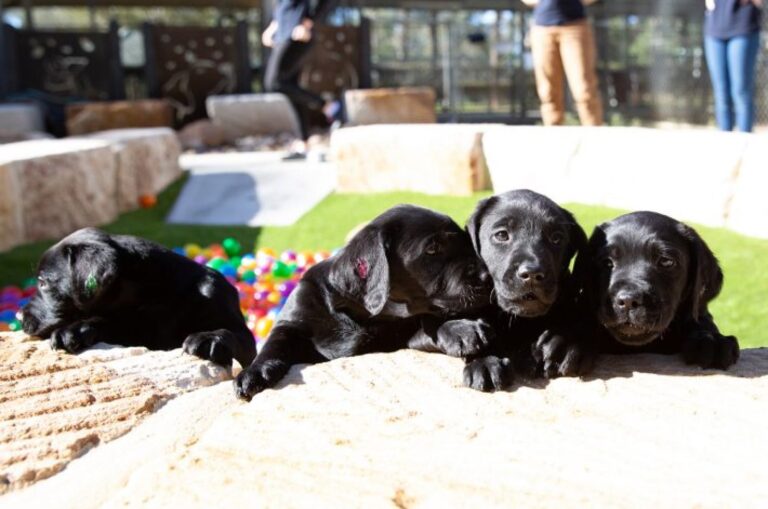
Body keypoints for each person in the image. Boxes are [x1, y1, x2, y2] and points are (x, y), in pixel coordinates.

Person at [262, 0, 340, 158]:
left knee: (274, 83)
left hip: (297, 33)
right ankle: (303, 143)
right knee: (290, 86)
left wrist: (308, 21)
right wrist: (274, 25)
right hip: (284, 32)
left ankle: (327, 105)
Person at [522, 0, 603, 126]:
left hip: (575, 26)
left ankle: (593, 135)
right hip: (542, 28)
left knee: (584, 89)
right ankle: (554, 137)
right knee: (548, 91)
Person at [704, 0, 763, 132]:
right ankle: (725, 141)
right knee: (721, 92)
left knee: (741, 90)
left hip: (743, 27)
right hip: (715, 28)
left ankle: (745, 139)